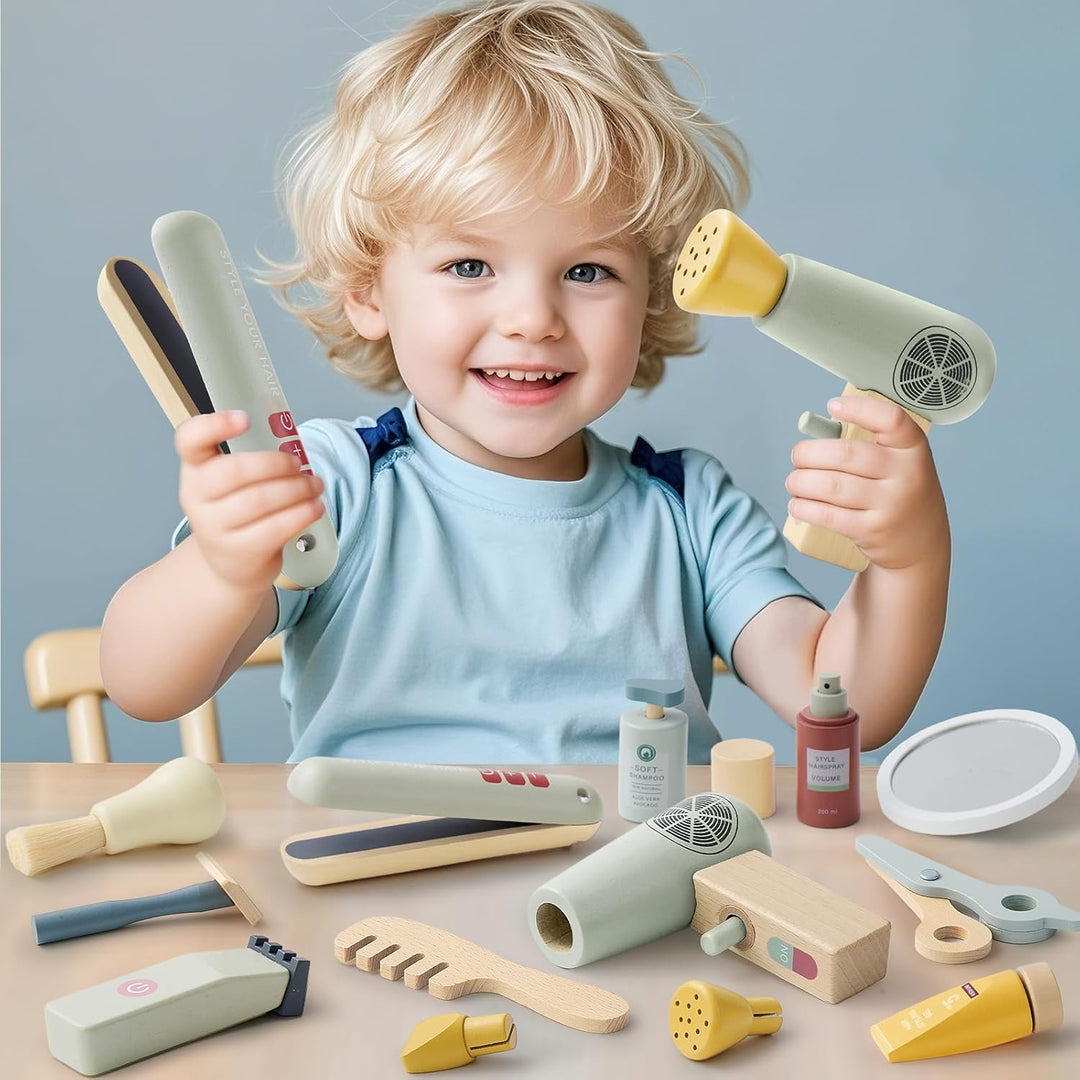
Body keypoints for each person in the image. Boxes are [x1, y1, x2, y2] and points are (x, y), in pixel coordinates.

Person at [100, 0, 950, 764]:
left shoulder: (690, 511)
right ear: (368, 291)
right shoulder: (328, 488)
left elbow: (841, 706)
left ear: (651, 296)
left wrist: (909, 560)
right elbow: (143, 686)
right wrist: (221, 570)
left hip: (639, 874)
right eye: (470, 265)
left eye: (588, 271)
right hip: (392, 878)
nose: (533, 318)